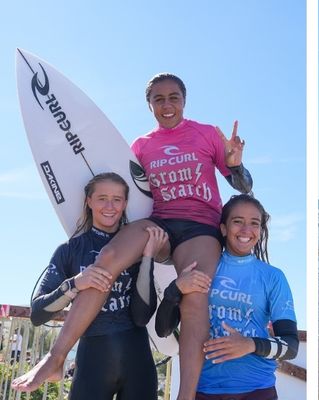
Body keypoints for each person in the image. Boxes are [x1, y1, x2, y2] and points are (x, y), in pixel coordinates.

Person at [13, 73, 253, 400]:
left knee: (195, 294)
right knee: (106, 260)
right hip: (160, 222)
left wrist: (235, 164)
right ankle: (55, 359)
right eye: (159, 99)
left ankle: (186, 397)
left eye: (173, 97)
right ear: (150, 104)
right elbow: (133, 194)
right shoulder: (141, 146)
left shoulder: (207, 134)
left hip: (200, 228)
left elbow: (243, 187)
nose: (167, 105)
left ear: (184, 100)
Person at [13, 173, 166, 399]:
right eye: (102, 198)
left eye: (117, 199)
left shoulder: (135, 247)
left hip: (136, 357)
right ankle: (54, 359)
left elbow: (142, 316)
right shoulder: (69, 250)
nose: (110, 206)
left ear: (125, 204)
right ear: (89, 201)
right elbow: (37, 314)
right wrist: (75, 284)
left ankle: (55, 359)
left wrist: (147, 259)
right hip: (93, 360)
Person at [155, 194, 298, 400]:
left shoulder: (273, 277)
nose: (246, 230)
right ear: (223, 228)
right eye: (237, 221)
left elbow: (290, 346)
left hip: (257, 390)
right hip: (204, 390)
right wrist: (175, 289)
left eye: (254, 223)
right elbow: (163, 329)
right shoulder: (202, 267)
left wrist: (249, 344)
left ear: (260, 230)